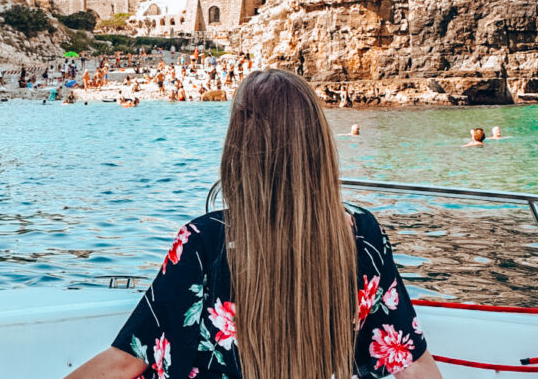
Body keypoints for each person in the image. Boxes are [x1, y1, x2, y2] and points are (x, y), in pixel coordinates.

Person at [66, 70, 441, 379]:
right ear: (318, 145)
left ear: (239, 148)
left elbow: (127, 360)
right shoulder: (363, 236)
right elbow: (413, 364)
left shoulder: (204, 242)